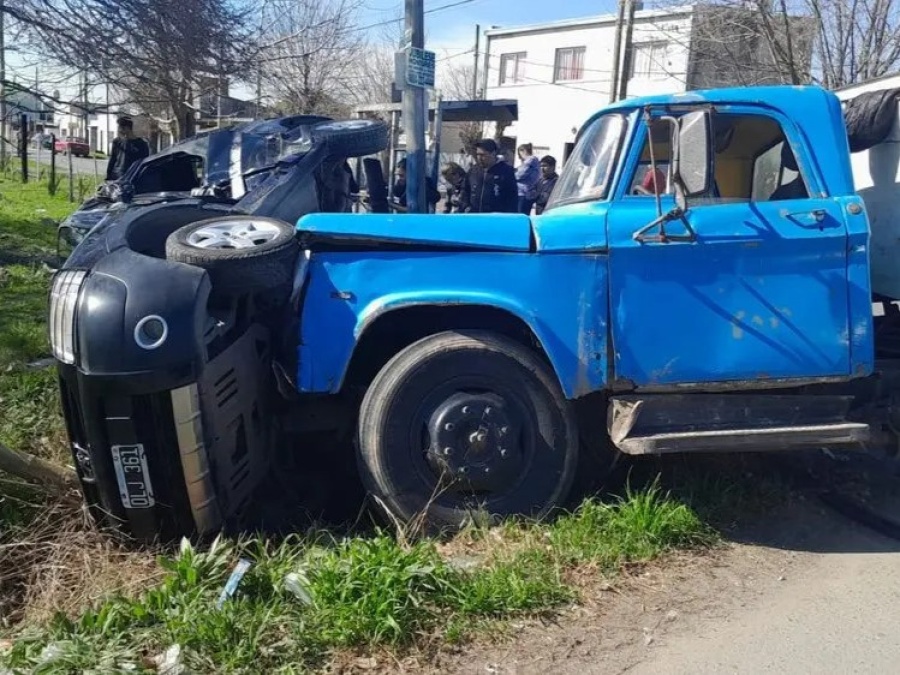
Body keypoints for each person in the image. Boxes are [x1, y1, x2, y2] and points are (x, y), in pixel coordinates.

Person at [462, 139, 518, 213]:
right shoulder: (473, 170)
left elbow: (512, 197)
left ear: (493, 153)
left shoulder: (506, 171)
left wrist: (508, 217)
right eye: (477, 154)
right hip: (474, 216)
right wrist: (465, 206)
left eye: (483, 155)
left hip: (495, 218)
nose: (479, 158)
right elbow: (465, 190)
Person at [106, 116, 150, 181]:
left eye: (121, 128)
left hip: (133, 178)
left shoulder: (142, 144)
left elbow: (144, 163)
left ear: (127, 128)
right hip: (116, 178)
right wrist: (108, 176)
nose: (119, 130)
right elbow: (112, 159)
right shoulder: (117, 142)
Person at [515, 143, 541, 215]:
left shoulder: (530, 160)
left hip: (524, 193)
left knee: (520, 216)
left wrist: (511, 175)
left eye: (519, 154)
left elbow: (520, 175)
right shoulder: (531, 161)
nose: (519, 157)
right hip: (525, 192)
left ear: (522, 151)